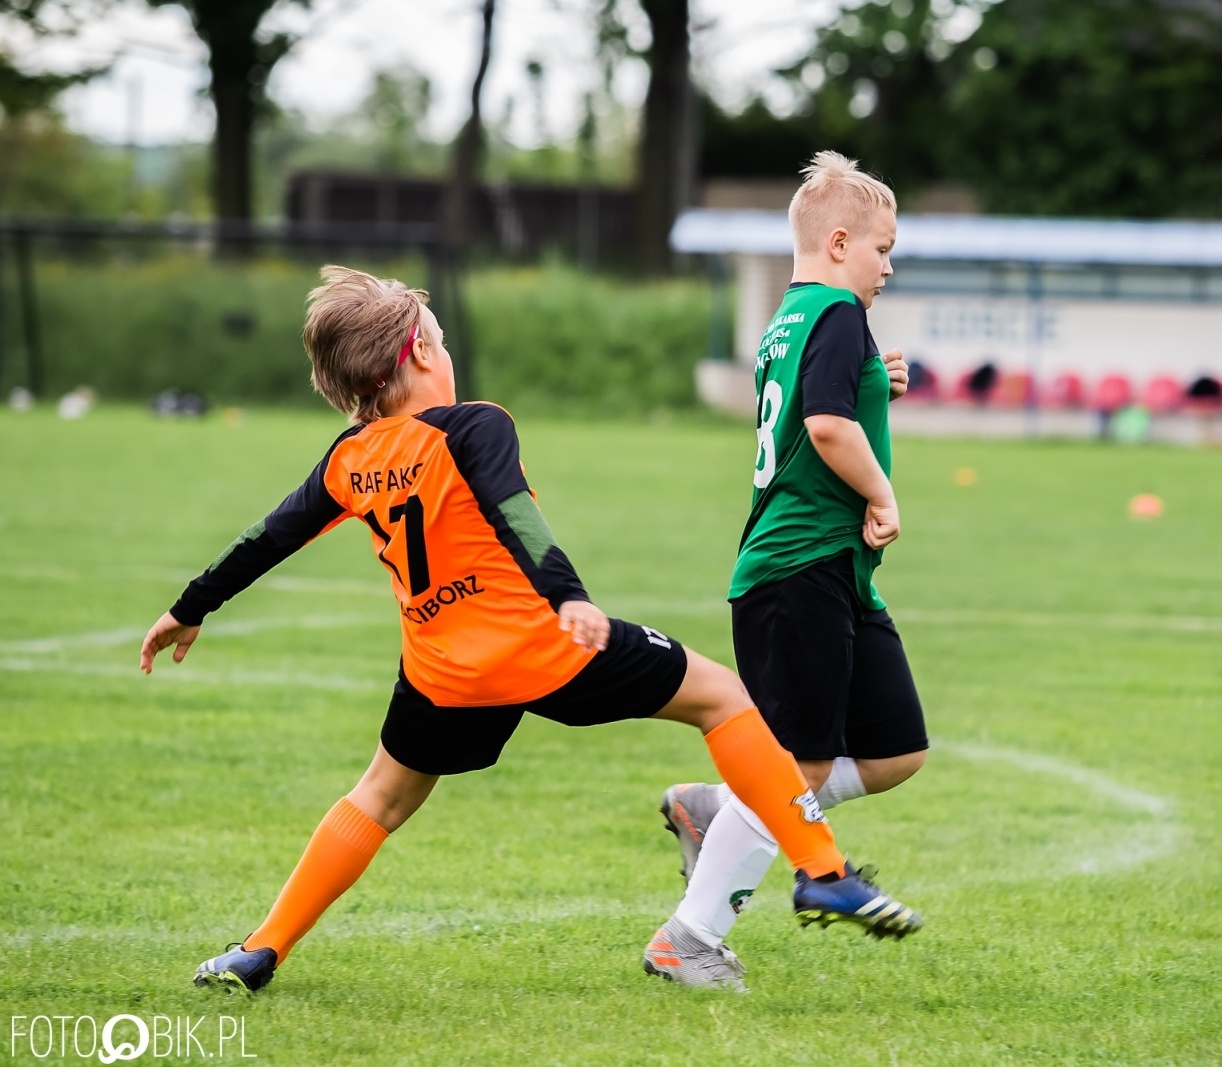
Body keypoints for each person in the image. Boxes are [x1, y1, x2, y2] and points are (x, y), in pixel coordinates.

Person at [139, 265, 919, 994]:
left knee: (378, 797)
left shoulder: (349, 457)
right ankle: (820, 866)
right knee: (721, 696)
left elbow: (267, 537)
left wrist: (191, 604)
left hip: (442, 671)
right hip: (545, 646)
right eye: (439, 339)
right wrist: (570, 596)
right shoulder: (473, 425)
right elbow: (515, 511)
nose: (445, 351)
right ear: (417, 352)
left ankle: (261, 947)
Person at [642, 152, 927, 992]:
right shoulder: (838, 311)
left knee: (896, 747)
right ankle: (687, 938)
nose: (888, 264)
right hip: (798, 567)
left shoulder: (791, 315)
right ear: (840, 243)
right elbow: (829, 428)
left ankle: (720, 808)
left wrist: (879, 383)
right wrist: (883, 495)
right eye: (883, 247)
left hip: (831, 572)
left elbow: (824, 410)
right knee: (799, 762)